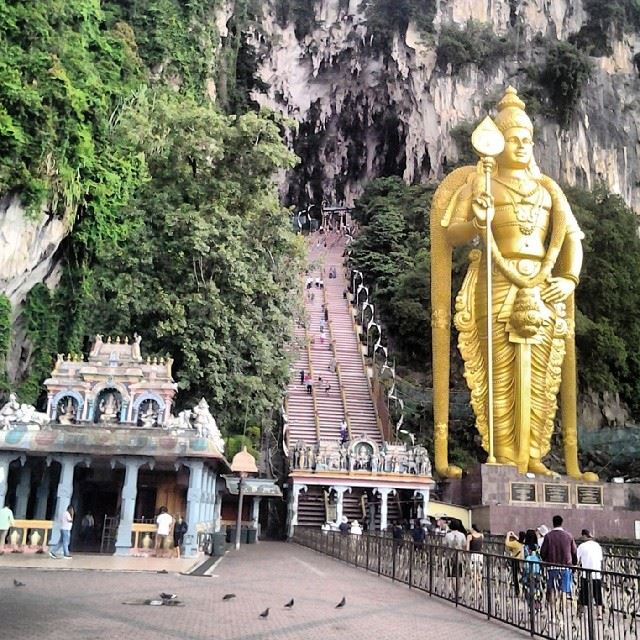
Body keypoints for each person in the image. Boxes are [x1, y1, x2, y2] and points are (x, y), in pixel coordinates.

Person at [430, 86, 595, 480]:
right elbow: (449, 234)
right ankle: (503, 453)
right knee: (497, 372)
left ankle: (535, 453)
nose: (521, 146)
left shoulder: (548, 189)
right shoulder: (481, 183)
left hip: (542, 284)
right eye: (513, 139)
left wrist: (569, 278)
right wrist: (477, 222)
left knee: (542, 373)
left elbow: (572, 238)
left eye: (527, 140)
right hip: (495, 281)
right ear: (497, 143)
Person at [540, 515, 577, 600]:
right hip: (566, 567)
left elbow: (543, 552)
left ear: (553, 523)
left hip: (552, 566)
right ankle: (563, 611)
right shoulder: (569, 536)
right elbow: (574, 552)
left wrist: (545, 560)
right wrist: (574, 564)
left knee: (552, 590)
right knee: (564, 591)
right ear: (561, 523)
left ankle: (553, 611)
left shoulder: (548, 536)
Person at [577, 529, 603, 620]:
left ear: (584, 536)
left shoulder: (582, 546)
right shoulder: (597, 546)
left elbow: (576, 559)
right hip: (597, 572)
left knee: (584, 593)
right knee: (598, 594)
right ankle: (599, 613)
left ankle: (582, 611)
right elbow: (600, 559)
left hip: (586, 573)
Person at [505, 530, 525, 597]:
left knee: (515, 576)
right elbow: (520, 539)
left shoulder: (515, 543)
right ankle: (522, 589)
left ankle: (517, 591)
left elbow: (507, 543)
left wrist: (508, 535)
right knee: (521, 575)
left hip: (515, 561)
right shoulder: (522, 544)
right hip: (522, 561)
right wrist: (514, 535)